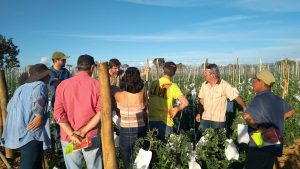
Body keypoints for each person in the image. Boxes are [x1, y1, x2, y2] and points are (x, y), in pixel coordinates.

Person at [53, 54, 102, 169]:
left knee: (73, 166)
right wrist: (83, 131)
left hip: (69, 138)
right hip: (90, 136)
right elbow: (101, 112)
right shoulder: (98, 85)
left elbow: (58, 114)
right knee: (94, 166)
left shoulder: (62, 85)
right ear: (92, 68)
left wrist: (72, 134)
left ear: (77, 67)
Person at [2, 64, 51, 169]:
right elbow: (38, 100)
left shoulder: (20, 88)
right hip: (32, 132)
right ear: (42, 76)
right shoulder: (40, 85)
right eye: (48, 75)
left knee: (32, 162)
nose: (49, 77)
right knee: (29, 164)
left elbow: (9, 107)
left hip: (20, 132)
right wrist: (39, 115)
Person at [243, 70, 295, 169]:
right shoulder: (277, 99)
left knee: (254, 165)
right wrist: (279, 118)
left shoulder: (259, 98)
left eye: (255, 80)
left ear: (262, 83)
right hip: (274, 138)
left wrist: (257, 126)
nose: (253, 82)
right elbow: (291, 111)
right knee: (267, 165)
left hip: (260, 140)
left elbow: (247, 116)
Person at [195, 63, 246, 140]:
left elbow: (236, 97)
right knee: (200, 139)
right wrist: (199, 113)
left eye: (206, 73)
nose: (204, 74)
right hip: (205, 118)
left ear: (212, 75)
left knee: (217, 142)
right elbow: (201, 99)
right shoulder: (204, 85)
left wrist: (244, 107)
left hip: (218, 121)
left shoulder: (224, 85)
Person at [112, 67, 147, 169]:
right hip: (141, 127)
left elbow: (111, 88)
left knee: (126, 153)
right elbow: (146, 111)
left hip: (126, 128)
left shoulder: (119, 95)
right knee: (140, 154)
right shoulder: (142, 95)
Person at [148, 61, 189, 141]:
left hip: (151, 120)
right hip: (165, 121)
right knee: (164, 149)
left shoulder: (153, 84)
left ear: (163, 70)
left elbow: (148, 99)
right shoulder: (173, 86)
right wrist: (176, 108)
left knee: (151, 148)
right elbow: (185, 103)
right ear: (173, 74)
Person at [49, 51, 71, 152]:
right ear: (56, 60)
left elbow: (69, 85)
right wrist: (63, 84)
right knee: (59, 125)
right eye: (63, 59)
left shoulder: (66, 71)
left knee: (69, 125)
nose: (65, 61)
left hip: (68, 103)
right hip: (56, 104)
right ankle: (60, 150)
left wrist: (61, 83)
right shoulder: (50, 73)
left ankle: (69, 148)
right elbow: (56, 84)